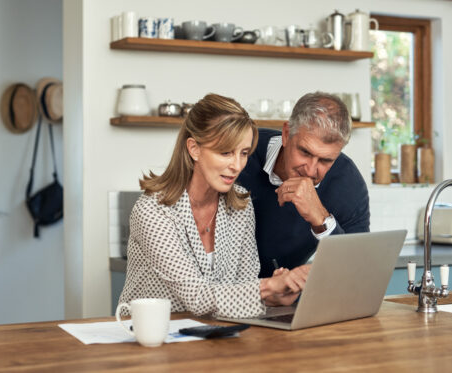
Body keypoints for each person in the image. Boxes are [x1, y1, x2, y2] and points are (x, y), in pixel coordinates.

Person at [119, 93, 310, 318]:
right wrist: (267, 287)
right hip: (149, 337)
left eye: (244, 153)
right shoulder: (153, 210)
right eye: (225, 152)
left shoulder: (241, 206)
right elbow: (196, 297)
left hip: (214, 337)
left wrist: (273, 297)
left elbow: (243, 286)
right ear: (194, 149)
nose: (237, 165)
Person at [238, 91, 370, 278]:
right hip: (223, 295)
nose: (310, 170)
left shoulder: (348, 182)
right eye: (305, 152)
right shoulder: (241, 153)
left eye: (325, 160)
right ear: (286, 134)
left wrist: (322, 221)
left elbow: (357, 271)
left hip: (286, 298)